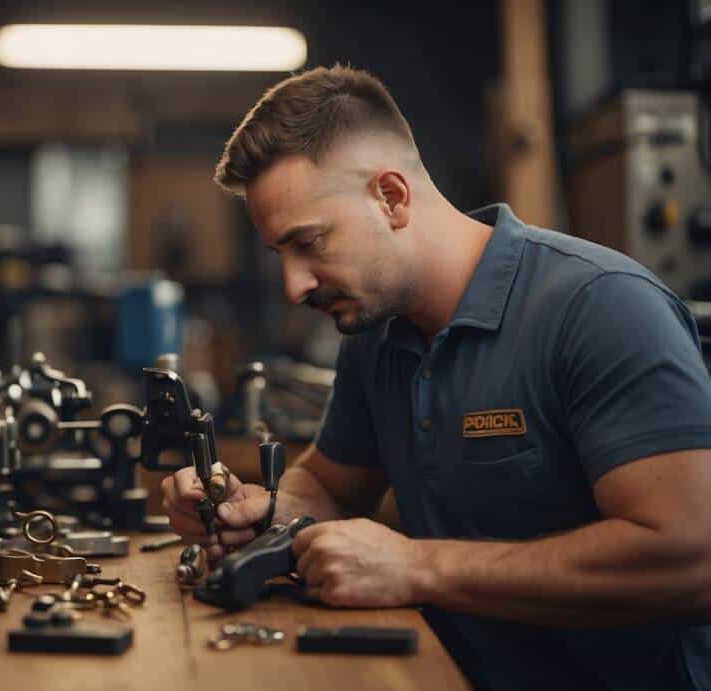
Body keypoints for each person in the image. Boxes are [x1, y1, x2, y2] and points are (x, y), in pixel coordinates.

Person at [160, 65, 711, 690]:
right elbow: (331, 484)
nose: (294, 285)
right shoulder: (377, 334)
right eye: (281, 255)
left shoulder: (601, 307)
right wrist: (256, 510)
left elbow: (693, 560)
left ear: (391, 197)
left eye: (310, 243)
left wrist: (417, 567)